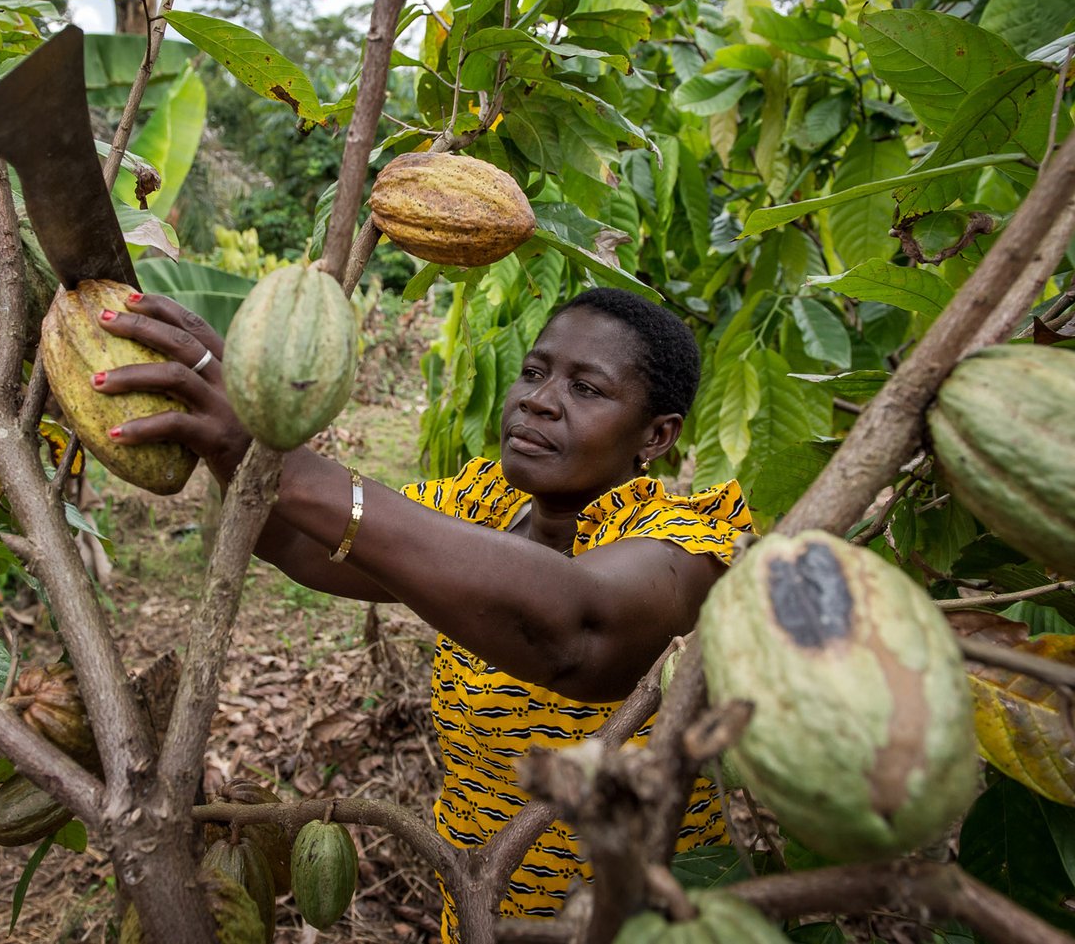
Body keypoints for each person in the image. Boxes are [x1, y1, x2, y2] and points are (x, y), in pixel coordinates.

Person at [91, 284, 752, 937]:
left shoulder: (690, 544)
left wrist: (292, 467)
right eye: (533, 372)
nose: (537, 402)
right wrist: (241, 438)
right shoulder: (482, 503)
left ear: (657, 434)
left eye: (585, 389)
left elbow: (575, 632)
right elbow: (298, 540)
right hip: (479, 900)